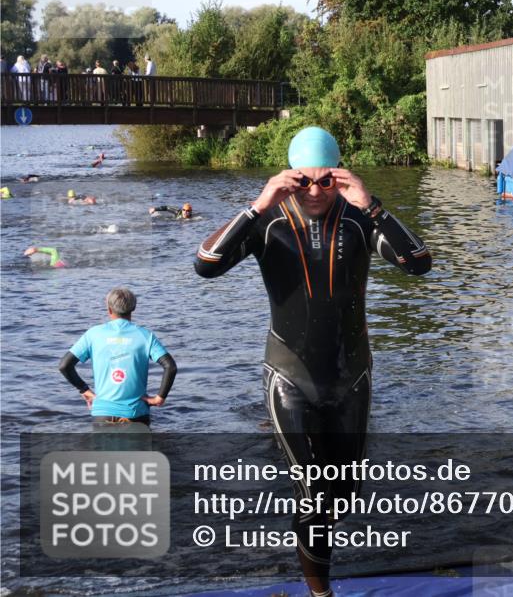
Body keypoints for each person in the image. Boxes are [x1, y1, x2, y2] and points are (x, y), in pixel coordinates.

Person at [194, 126, 431, 596]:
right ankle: (320, 593)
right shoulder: (268, 222)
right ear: (289, 177)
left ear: (340, 175)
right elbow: (206, 264)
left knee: (343, 497)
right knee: (315, 495)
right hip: (290, 375)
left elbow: (418, 263)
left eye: (327, 180)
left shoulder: (359, 219)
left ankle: (314, 550)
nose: (316, 191)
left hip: (351, 376)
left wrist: (373, 204)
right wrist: (257, 205)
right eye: (304, 181)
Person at [58, 287, 177, 428]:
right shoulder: (145, 336)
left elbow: (65, 366)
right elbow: (170, 367)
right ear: (133, 308)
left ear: (109, 309)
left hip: (102, 414)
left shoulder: (93, 334)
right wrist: (159, 398)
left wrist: (84, 389)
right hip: (136, 414)